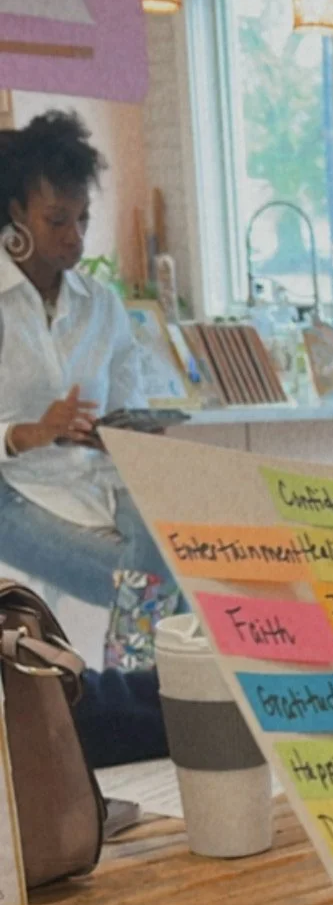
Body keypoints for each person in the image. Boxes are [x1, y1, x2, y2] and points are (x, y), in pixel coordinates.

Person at [0, 111, 169, 607]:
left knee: (179, 555)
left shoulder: (101, 304)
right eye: (57, 220)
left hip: (99, 481)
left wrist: (124, 432)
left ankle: (134, 675)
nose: (74, 236)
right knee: (139, 589)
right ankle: (134, 676)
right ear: (15, 214)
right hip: (14, 488)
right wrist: (27, 433)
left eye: (83, 218)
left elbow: (128, 407)